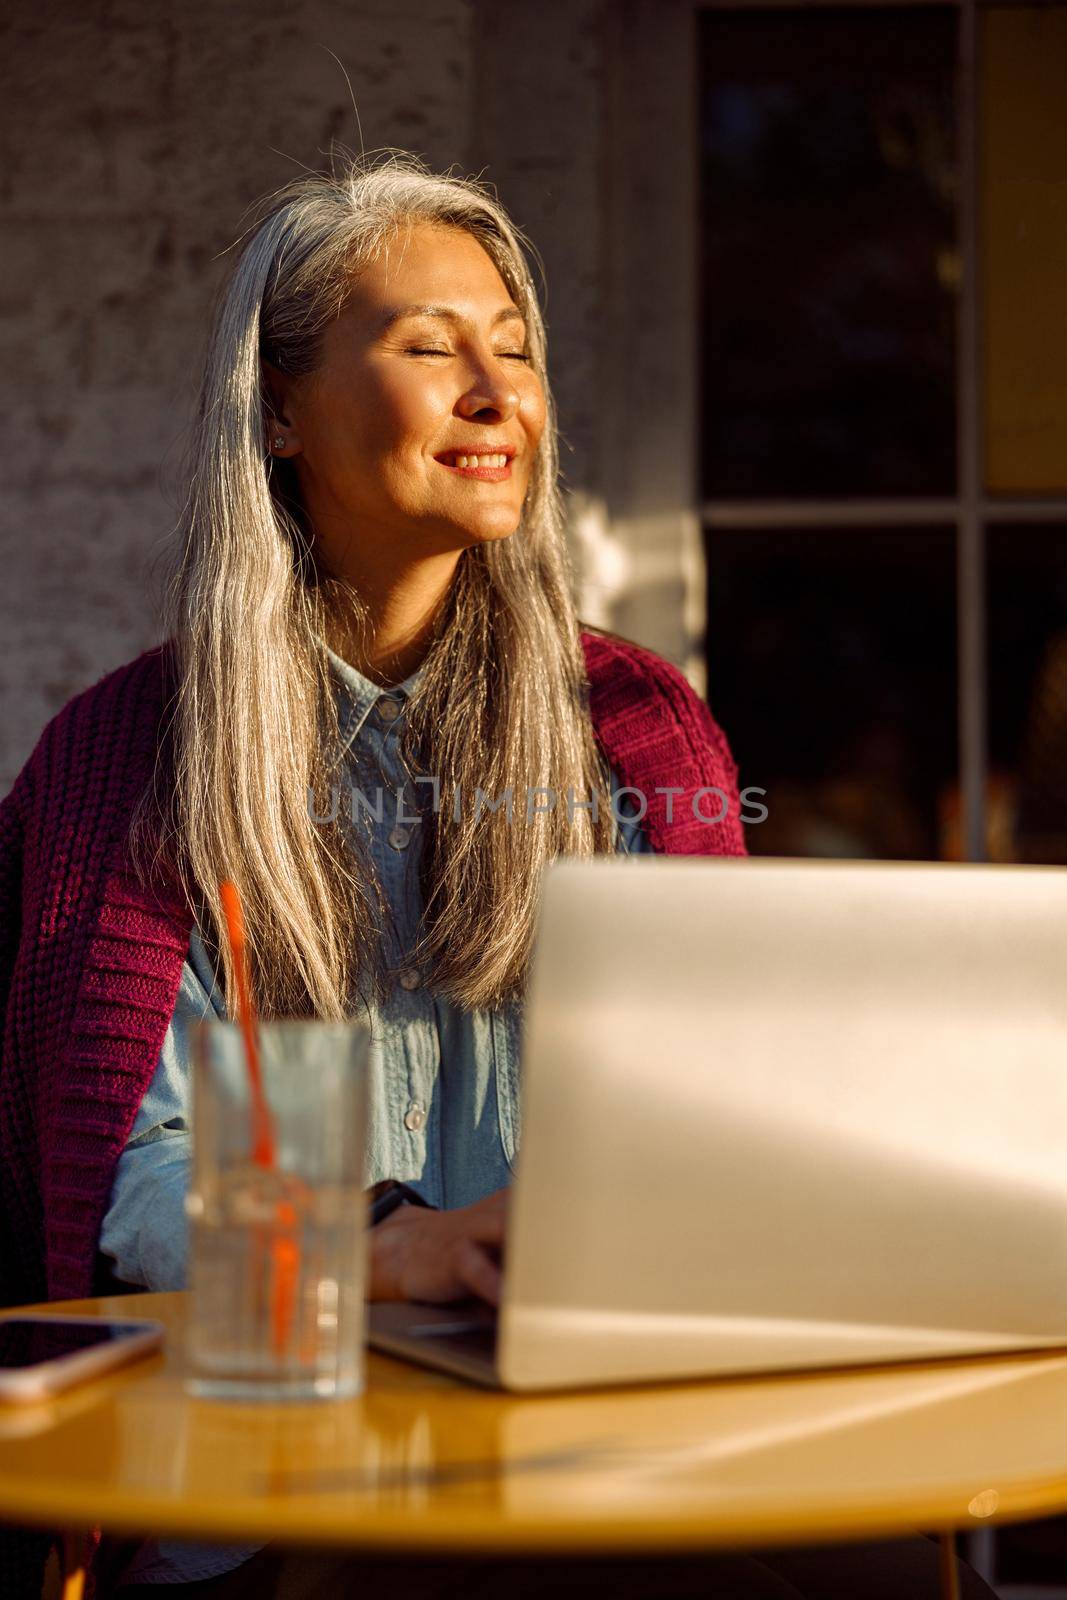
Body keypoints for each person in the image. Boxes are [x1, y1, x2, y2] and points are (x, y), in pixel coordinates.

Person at [0, 152, 993, 1599]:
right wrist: (385, 1249)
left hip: (601, 1444)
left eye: (516, 350)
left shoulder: (642, 732)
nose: (498, 394)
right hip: (271, 1476)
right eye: (430, 347)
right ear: (281, 410)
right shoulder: (126, 760)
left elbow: (715, 1128)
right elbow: (126, 1178)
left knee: (888, 1578)